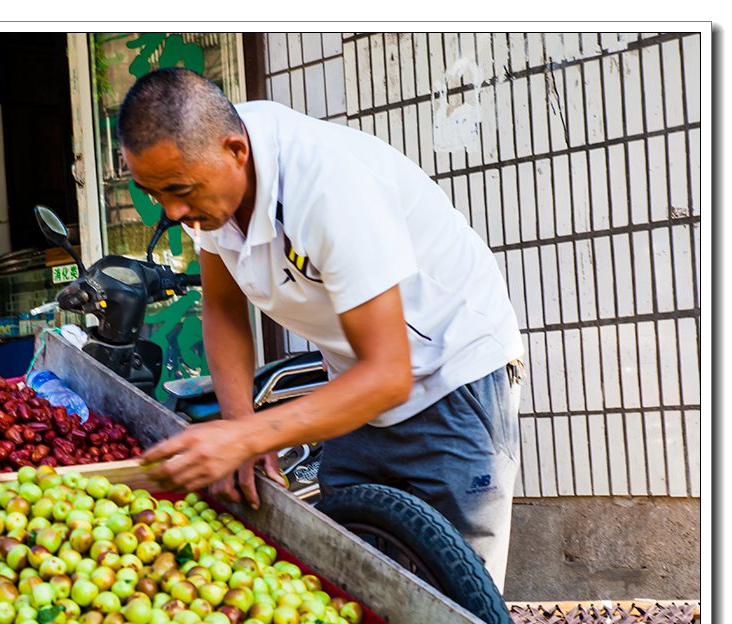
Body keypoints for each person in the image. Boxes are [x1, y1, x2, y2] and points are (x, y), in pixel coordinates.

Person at [118, 68, 524, 589]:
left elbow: (390, 374)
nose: (173, 211)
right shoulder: (209, 185)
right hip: (357, 383)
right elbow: (222, 308)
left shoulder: (328, 187)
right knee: (353, 583)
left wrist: (243, 436)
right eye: (154, 194)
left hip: (451, 375)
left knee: (460, 599)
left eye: (179, 191)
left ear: (235, 151)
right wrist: (241, 422)